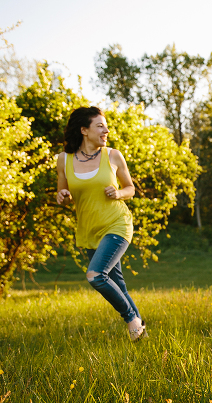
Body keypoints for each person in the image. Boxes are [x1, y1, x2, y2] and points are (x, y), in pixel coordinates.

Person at [56, 106, 146, 341]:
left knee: (96, 275)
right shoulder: (64, 160)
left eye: (105, 126)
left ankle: (131, 319)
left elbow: (130, 189)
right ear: (84, 130)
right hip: (89, 229)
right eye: (100, 126)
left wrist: (118, 193)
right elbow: (64, 193)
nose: (106, 130)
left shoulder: (112, 155)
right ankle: (141, 334)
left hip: (117, 224)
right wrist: (63, 196)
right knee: (117, 283)